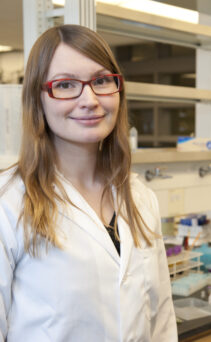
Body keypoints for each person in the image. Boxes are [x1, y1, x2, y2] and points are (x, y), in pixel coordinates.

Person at [0, 24, 177, 342]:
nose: (90, 99)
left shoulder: (140, 197)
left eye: (101, 81)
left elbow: (161, 318)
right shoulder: (8, 202)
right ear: (37, 99)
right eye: (65, 84)